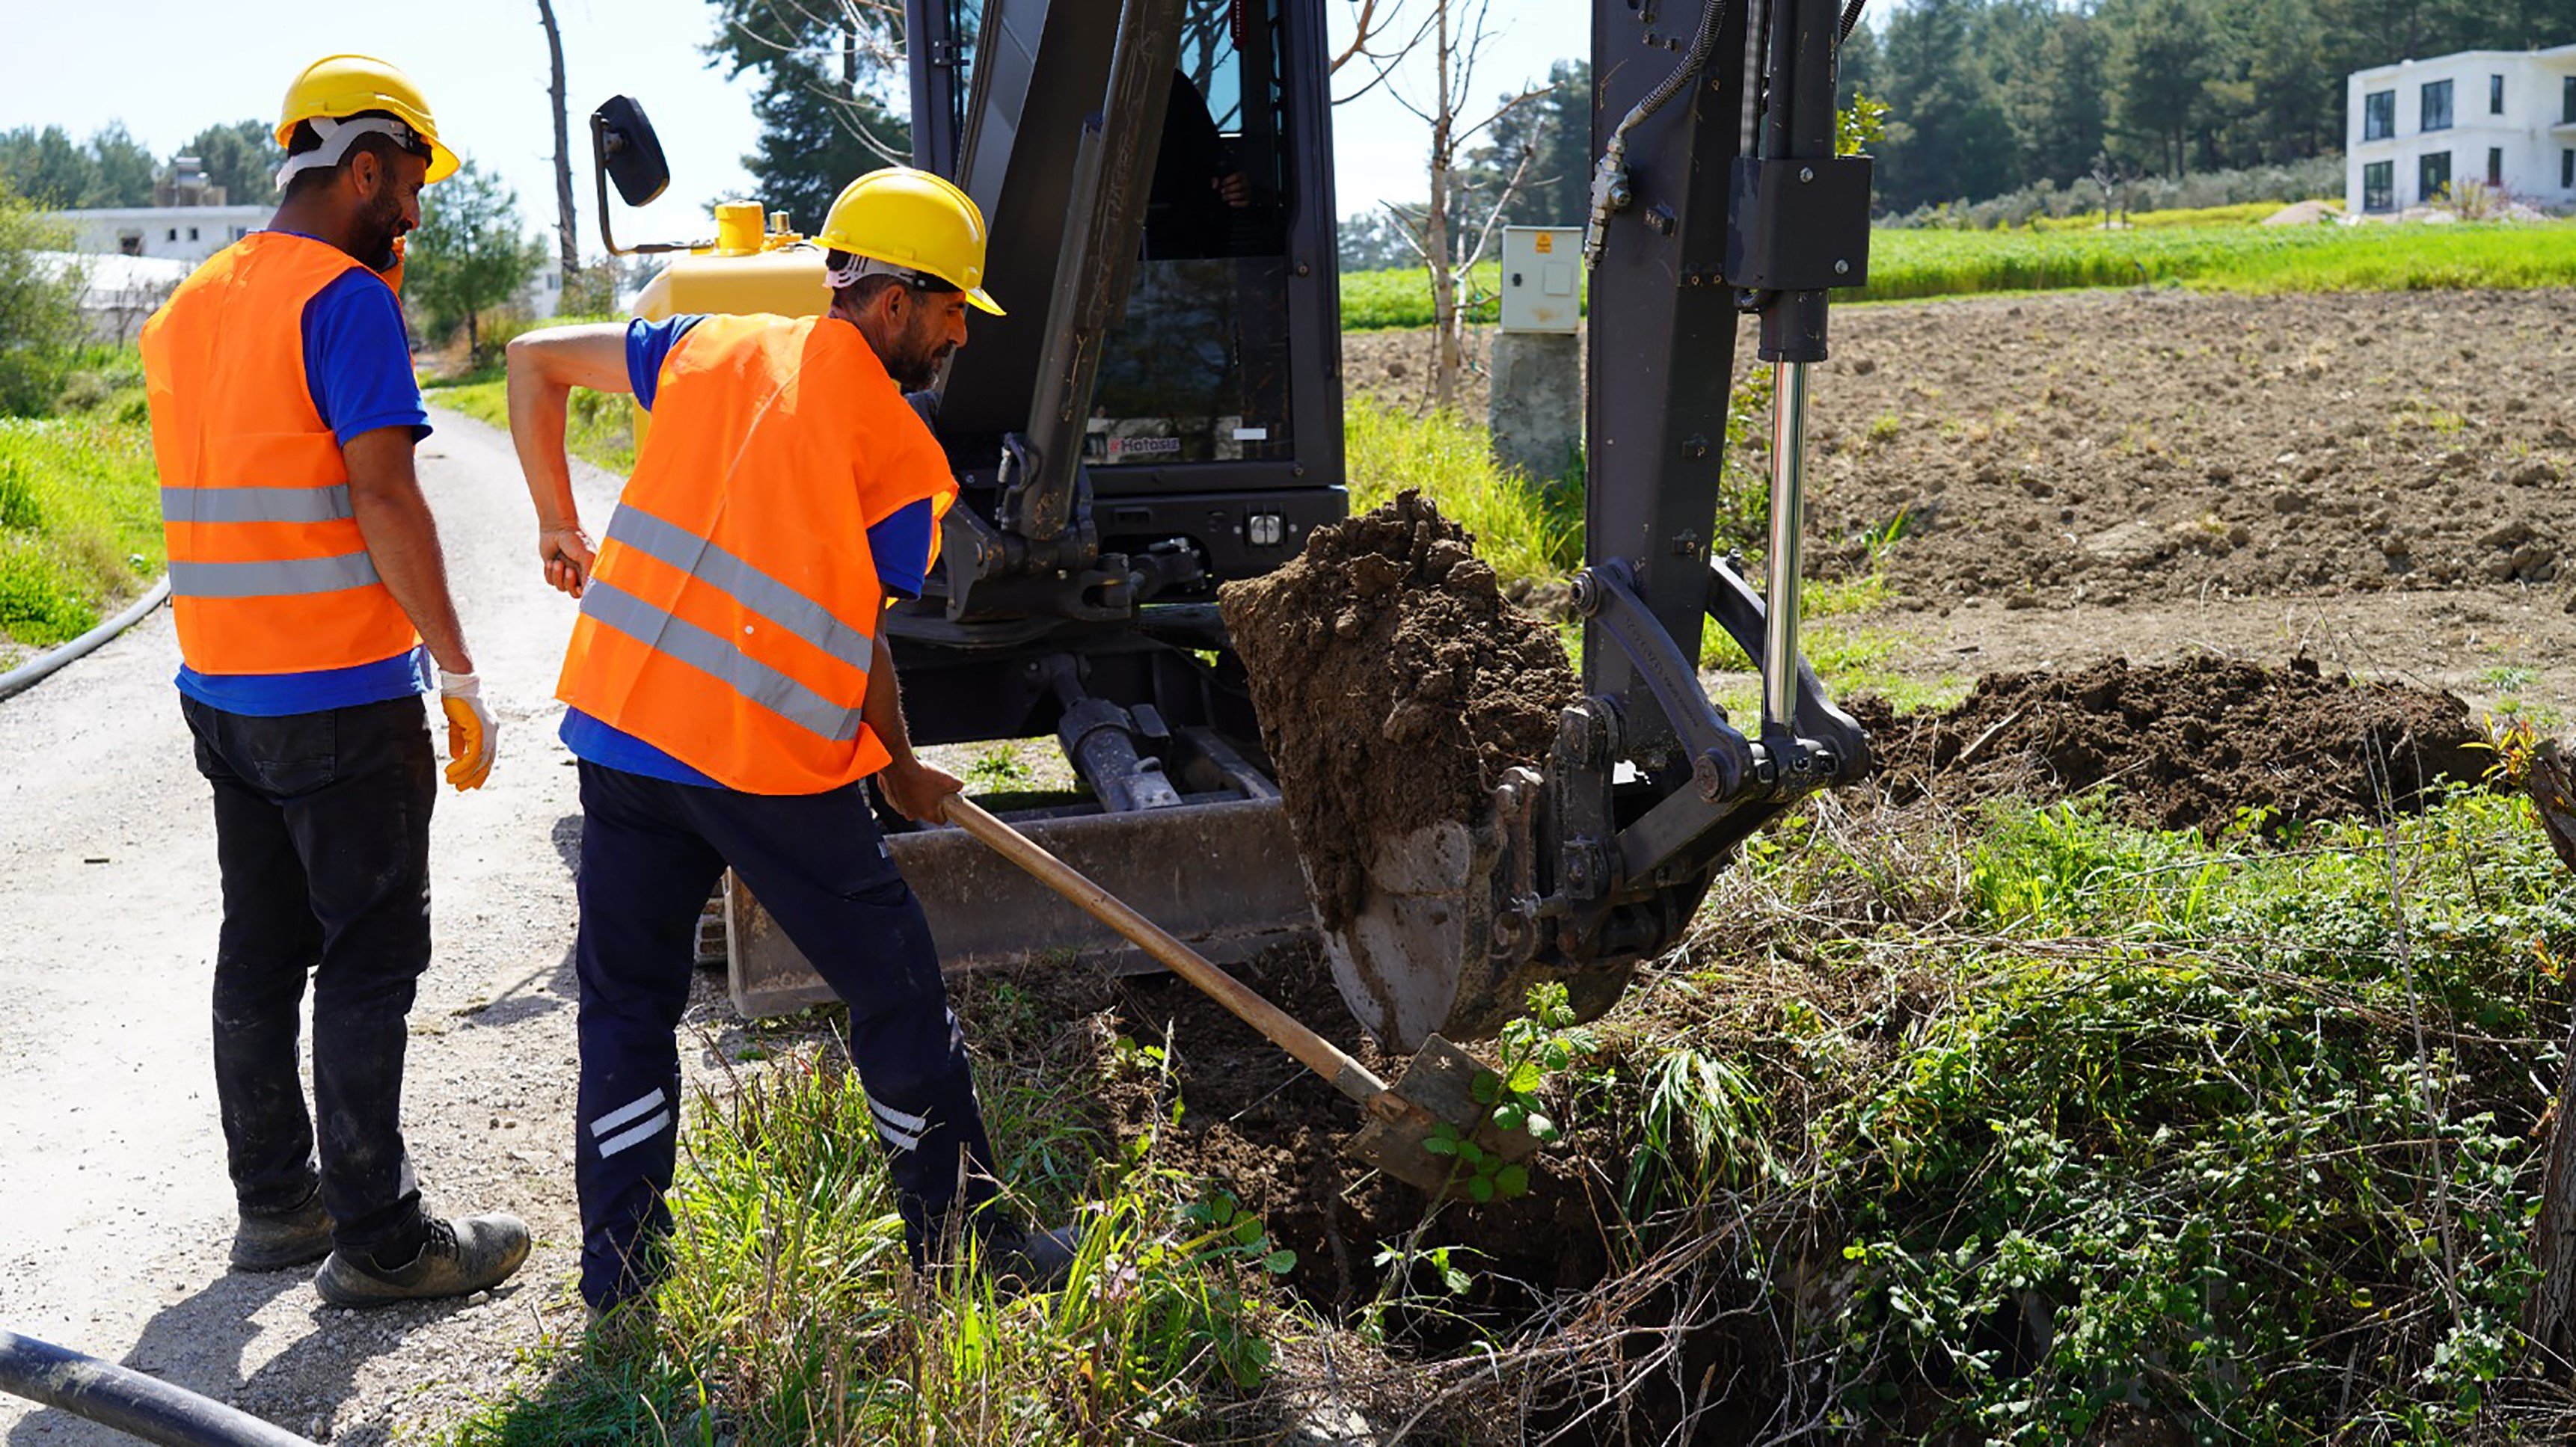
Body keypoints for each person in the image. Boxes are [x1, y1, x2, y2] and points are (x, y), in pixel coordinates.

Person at [504, 167, 1074, 1323]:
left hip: (620, 737)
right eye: (955, 306)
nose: (962, 332)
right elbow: (862, 638)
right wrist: (902, 768)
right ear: (892, 302)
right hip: (758, 764)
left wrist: (556, 518)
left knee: (627, 1004)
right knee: (897, 985)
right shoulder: (899, 453)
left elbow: (531, 359)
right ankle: (967, 1247)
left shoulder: (709, 344)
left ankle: (619, 1280)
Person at [138, 54, 530, 1306]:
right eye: (408, 185)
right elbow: (381, 491)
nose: (413, 213)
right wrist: (458, 667)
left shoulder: (192, 300)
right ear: (363, 165)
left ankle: (277, 1208)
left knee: (259, 942)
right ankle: (380, 1242)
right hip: (342, 698)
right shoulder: (344, 303)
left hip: (224, 690)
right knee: (368, 955)